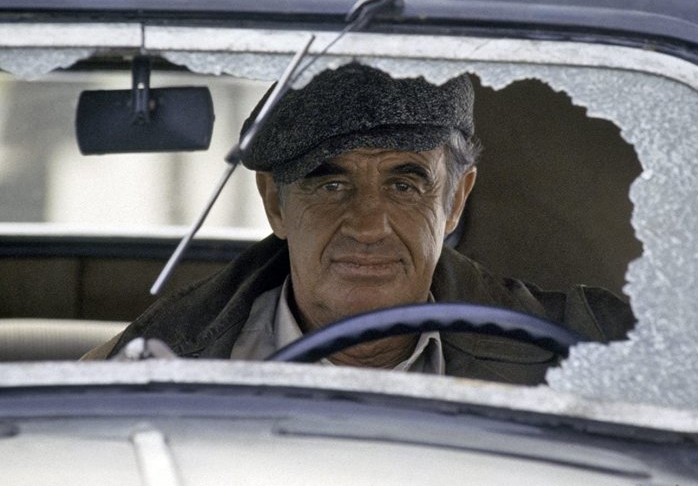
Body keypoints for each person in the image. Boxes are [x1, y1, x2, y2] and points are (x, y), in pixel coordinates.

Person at [83, 63, 634, 384]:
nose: (369, 227)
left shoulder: (597, 355)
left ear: (455, 202)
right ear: (275, 204)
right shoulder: (145, 371)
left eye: (405, 184)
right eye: (330, 184)